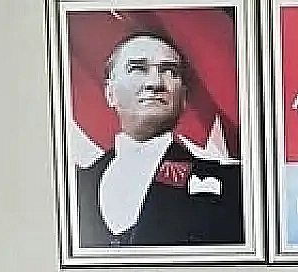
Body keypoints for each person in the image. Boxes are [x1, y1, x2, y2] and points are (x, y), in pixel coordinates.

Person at [76, 31, 244, 247]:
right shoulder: (75, 186)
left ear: (184, 98)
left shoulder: (233, 184)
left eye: (169, 71)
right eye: (137, 69)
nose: (155, 83)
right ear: (110, 94)